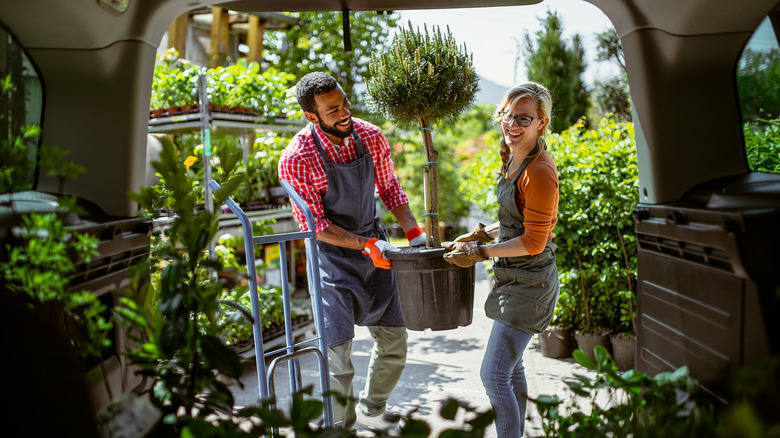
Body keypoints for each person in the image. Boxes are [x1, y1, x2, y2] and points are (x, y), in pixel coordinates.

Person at [278, 71, 427, 429]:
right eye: (333, 110)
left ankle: (373, 409)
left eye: (345, 103)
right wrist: (366, 244)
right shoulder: (297, 158)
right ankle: (341, 427)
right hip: (330, 257)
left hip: (375, 248)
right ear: (311, 116)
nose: (345, 113)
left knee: (394, 340)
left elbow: (390, 187)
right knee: (338, 354)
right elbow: (315, 225)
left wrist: (415, 233)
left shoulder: (370, 136)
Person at [442, 82, 560, 438]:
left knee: (493, 374)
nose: (511, 124)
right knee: (511, 369)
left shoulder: (539, 171)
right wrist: (482, 233)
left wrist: (481, 253)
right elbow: (516, 222)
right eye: (507, 115)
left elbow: (534, 240)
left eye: (523, 117)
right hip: (515, 278)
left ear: (541, 122)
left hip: (531, 283)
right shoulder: (513, 158)